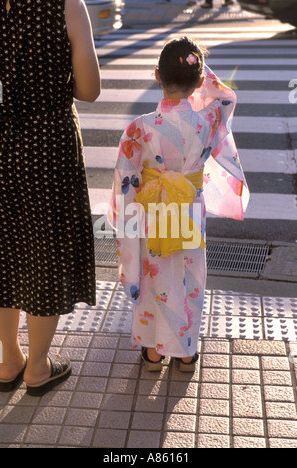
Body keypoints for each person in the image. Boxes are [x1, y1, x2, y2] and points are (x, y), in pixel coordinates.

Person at [109, 36, 249, 373]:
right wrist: (200, 74)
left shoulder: (139, 128)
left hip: (152, 211)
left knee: (154, 274)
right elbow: (226, 97)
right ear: (201, 80)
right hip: (189, 210)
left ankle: (154, 353)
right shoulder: (209, 119)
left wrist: (124, 222)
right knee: (188, 277)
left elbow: (124, 182)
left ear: (156, 75)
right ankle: (186, 354)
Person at [0, 0, 100, 396]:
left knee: (3, 253)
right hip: (47, 145)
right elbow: (89, 90)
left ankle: (9, 359)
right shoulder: (67, 6)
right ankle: (38, 367)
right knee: (46, 254)